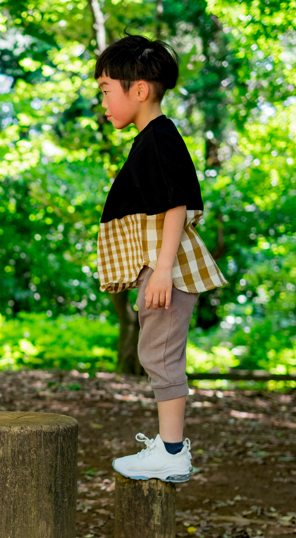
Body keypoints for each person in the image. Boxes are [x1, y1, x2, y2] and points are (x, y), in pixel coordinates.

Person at [94, 34, 227, 482]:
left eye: (106, 90)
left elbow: (175, 204)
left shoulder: (159, 137)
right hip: (160, 265)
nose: (104, 102)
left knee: (161, 355)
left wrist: (163, 270)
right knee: (156, 353)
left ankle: (172, 453)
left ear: (139, 89)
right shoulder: (151, 138)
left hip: (169, 267)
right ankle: (168, 449)